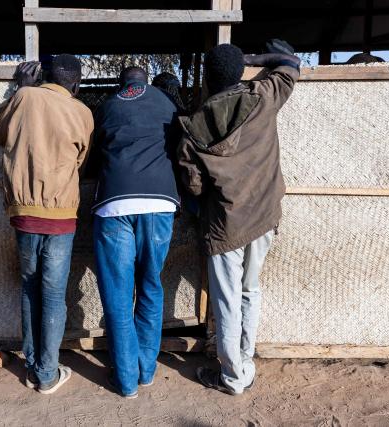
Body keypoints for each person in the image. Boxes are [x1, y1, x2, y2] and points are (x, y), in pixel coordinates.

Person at [177, 42, 300, 395]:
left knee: (227, 300)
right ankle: (245, 362)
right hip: (263, 216)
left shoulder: (193, 128)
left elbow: (195, 186)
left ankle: (232, 375)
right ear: (239, 73)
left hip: (224, 226)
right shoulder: (263, 96)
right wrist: (256, 59)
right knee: (251, 290)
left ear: (207, 78)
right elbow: (291, 64)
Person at [0, 55, 94, 394]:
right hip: (61, 217)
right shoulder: (82, 113)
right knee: (52, 296)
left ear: (41, 76)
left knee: (30, 289)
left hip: (23, 213)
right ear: (75, 84)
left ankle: (34, 364)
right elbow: (81, 161)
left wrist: (18, 89)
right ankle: (46, 373)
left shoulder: (24, 97)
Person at [91, 66, 180, 398]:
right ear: (146, 82)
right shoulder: (167, 102)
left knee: (117, 294)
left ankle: (126, 381)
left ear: (121, 84)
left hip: (114, 203)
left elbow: (92, 155)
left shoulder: (106, 106)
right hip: (159, 202)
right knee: (151, 286)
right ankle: (146, 371)